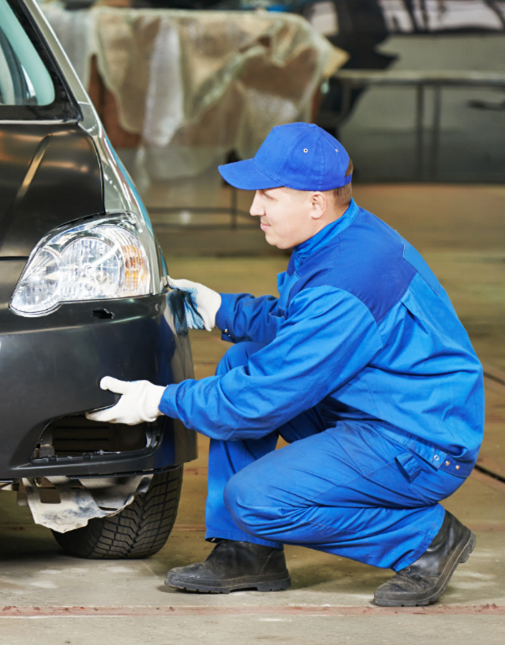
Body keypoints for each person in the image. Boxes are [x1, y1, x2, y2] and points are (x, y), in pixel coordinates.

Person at [90, 122, 483, 607]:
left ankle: (425, 539)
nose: (254, 208)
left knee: (256, 498)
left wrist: (159, 400)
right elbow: (302, 327)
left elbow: (261, 398)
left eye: (268, 196)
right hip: (379, 405)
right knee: (241, 360)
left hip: (417, 443)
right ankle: (247, 554)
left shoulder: (350, 277)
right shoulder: (338, 238)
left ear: (315, 202)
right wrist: (222, 310)